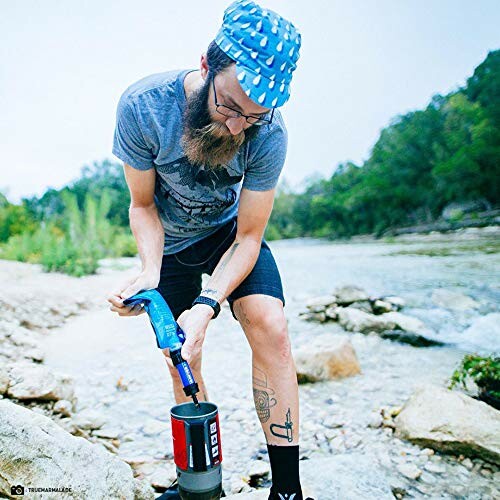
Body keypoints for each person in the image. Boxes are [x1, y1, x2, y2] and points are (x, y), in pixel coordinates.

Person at [108, 1, 307, 499]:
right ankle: (202, 487)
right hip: (169, 244)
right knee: (182, 353)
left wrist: (208, 302)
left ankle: (287, 490)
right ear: (205, 65)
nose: (239, 126)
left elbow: (249, 236)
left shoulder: (269, 132)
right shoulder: (143, 107)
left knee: (271, 325)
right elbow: (142, 205)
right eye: (230, 107)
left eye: (253, 116)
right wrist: (150, 272)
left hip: (228, 236)